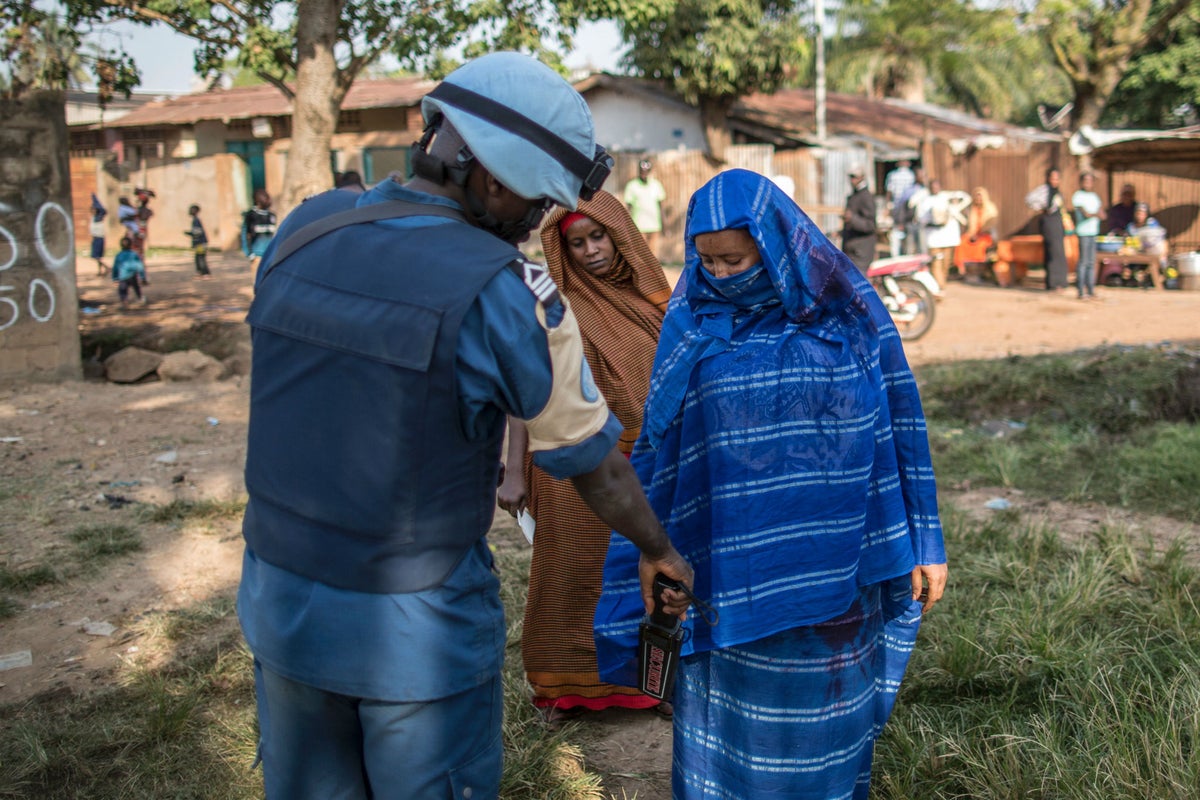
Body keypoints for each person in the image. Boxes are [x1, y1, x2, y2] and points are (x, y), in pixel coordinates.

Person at [237, 51, 693, 800]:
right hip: (410, 629)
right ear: (494, 180)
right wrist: (657, 549)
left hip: (278, 595)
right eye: (539, 205)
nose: (537, 224)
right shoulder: (508, 293)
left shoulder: (304, 228)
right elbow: (594, 464)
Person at [594, 169, 948, 800]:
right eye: (707, 261)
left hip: (839, 578)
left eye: (736, 258)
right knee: (732, 744)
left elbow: (903, 422)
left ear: (778, 243)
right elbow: (659, 453)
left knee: (826, 740)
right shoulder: (690, 325)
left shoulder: (853, 314)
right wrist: (647, 555)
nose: (722, 275)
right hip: (726, 577)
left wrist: (926, 538)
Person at [497, 189, 673, 726]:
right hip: (569, 466)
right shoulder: (551, 305)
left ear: (622, 237)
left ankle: (652, 685)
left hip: (647, 465)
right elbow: (524, 391)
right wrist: (511, 468)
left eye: (600, 236)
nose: (592, 250)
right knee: (569, 573)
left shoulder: (656, 304)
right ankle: (560, 687)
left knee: (649, 575)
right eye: (577, 242)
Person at [917, 178, 970, 288]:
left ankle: (941, 282)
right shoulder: (925, 201)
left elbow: (964, 197)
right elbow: (921, 219)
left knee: (946, 263)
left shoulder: (947, 198)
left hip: (948, 237)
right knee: (936, 262)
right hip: (933, 238)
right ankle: (939, 286)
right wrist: (934, 221)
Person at [1034, 167, 1070, 291]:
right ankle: (1053, 283)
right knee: (1052, 252)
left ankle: (1061, 282)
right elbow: (1029, 199)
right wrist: (1042, 208)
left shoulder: (1057, 192)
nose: (1055, 180)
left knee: (1060, 252)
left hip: (1057, 222)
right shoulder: (1043, 190)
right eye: (1052, 178)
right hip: (1049, 223)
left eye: (1057, 178)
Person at [622, 158, 666, 257]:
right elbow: (628, 209)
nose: (643, 174)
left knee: (653, 255)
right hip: (639, 226)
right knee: (640, 254)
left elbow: (661, 207)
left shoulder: (656, 185)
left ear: (650, 171)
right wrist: (627, 226)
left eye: (646, 171)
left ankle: (652, 273)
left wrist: (664, 225)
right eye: (642, 171)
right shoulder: (632, 186)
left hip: (655, 226)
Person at [954, 186, 999, 279]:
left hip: (985, 235)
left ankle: (980, 268)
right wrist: (972, 234)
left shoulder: (990, 209)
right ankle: (962, 269)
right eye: (976, 197)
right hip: (973, 234)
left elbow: (990, 226)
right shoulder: (971, 209)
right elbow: (970, 226)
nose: (978, 199)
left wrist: (980, 234)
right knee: (962, 243)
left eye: (980, 197)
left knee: (980, 245)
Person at [1071, 172, 1103, 299]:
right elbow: (1085, 214)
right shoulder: (1078, 196)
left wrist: (1094, 214)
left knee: (1091, 262)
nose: (1088, 183)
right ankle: (1080, 290)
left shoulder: (1094, 196)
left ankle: (1090, 289)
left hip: (1093, 232)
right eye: (1085, 180)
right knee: (1083, 262)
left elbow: (1102, 213)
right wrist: (1095, 214)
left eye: (1090, 181)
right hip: (1083, 233)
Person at [841, 164, 877, 273]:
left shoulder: (866, 197)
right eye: (850, 177)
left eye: (854, 176)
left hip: (861, 251)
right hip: (852, 249)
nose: (852, 180)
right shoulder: (854, 196)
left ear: (862, 177)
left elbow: (870, 225)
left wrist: (852, 219)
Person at [1125, 202, 1168, 289]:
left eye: (1142, 213)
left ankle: (1160, 278)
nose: (1140, 216)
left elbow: (1159, 239)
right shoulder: (1131, 227)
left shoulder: (1152, 224)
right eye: (1138, 213)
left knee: (1161, 252)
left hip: (1152, 249)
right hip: (1137, 250)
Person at [242, 189, 277, 266]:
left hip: (271, 256)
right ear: (257, 201)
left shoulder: (272, 216)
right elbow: (245, 236)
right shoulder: (250, 216)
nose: (267, 200)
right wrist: (250, 254)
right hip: (257, 256)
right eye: (264, 198)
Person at [898, 167, 928, 255]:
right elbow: (903, 206)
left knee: (922, 247)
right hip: (910, 222)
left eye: (923, 175)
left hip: (923, 223)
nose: (922, 177)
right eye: (920, 176)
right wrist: (901, 222)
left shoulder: (926, 190)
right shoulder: (909, 190)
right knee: (909, 248)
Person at [111, 236, 146, 307]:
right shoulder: (134, 254)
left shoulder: (119, 255)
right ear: (131, 245)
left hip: (123, 277)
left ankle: (124, 301)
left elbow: (115, 268)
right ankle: (140, 298)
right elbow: (140, 266)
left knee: (122, 290)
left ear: (121, 246)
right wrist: (143, 277)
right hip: (133, 275)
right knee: (136, 287)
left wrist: (115, 278)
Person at [184, 204, 210, 278]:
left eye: (192, 209)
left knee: (200, 258)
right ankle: (201, 272)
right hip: (199, 243)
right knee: (198, 258)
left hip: (200, 243)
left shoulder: (196, 220)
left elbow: (198, 232)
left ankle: (205, 273)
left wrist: (190, 233)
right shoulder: (195, 220)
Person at [89, 193, 107, 276]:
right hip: (95, 238)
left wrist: (94, 198)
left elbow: (102, 210)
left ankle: (106, 267)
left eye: (94, 209)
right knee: (97, 256)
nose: (93, 211)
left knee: (96, 256)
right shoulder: (93, 218)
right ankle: (100, 270)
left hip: (99, 238)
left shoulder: (98, 218)